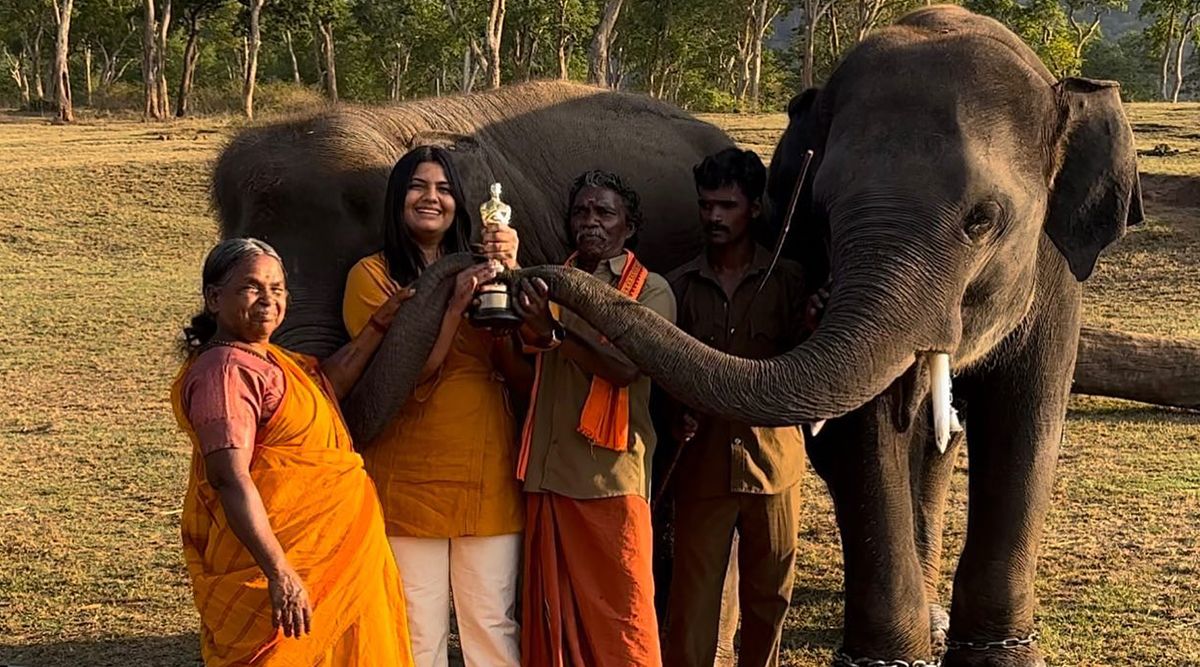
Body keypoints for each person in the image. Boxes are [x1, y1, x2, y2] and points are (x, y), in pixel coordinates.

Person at [172, 237, 414, 666]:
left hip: (335, 558)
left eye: (277, 288)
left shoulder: (274, 361)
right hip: (284, 568)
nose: (268, 298)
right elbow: (230, 477)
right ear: (214, 297)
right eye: (251, 286)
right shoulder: (225, 372)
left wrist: (379, 324)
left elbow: (325, 388)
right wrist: (280, 573)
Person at [342, 145, 529, 667]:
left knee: (491, 624)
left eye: (444, 189)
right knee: (414, 628)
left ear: (460, 204)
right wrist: (449, 307)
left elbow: (525, 356)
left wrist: (511, 272)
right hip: (405, 477)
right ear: (397, 200)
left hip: (484, 470)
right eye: (418, 187)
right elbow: (402, 372)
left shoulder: (483, 268)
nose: (432, 198)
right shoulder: (371, 277)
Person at [514, 170, 676, 667]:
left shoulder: (651, 290)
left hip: (610, 478)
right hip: (548, 471)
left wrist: (554, 332)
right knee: (551, 621)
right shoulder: (548, 283)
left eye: (604, 213)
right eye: (581, 212)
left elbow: (626, 369)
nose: (591, 222)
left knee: (623, 622)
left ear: (628, 227)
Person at [662, 148, 809, 667]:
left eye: (726, 205)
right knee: (692, 608)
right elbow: (661, 377)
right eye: (706, 205)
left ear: (756, 209)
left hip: (775, 466)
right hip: (701, 470)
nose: (714, 217)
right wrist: (674, 411)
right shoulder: (678, 286)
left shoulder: (790, 281)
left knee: (769, 602)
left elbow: (810, 365)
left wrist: (815, 321)